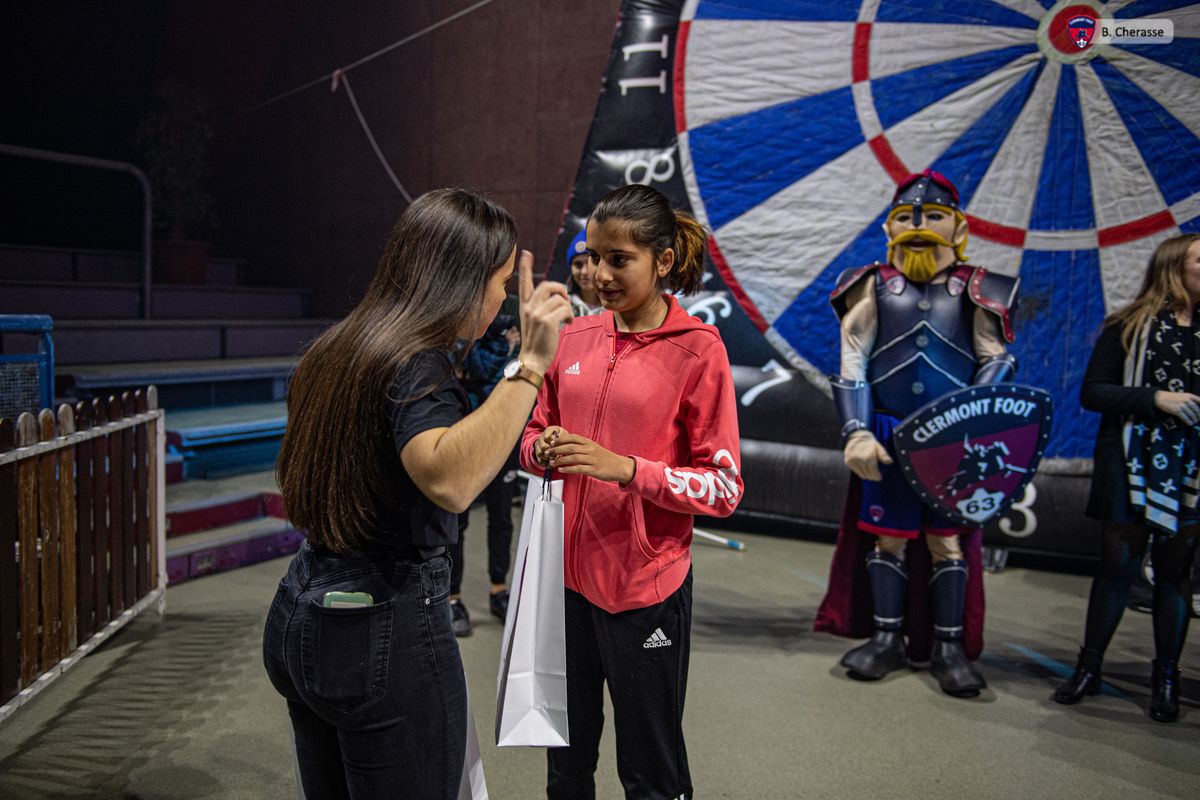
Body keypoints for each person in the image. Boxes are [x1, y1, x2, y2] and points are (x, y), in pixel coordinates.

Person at [262, 188, 573, 799]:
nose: (503, 299)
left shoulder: (340, 347)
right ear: (462, 277)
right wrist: (532, 363)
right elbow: (450, 478)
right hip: (381, 625)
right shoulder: (416, 363)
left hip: (303, 606)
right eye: (502, 282)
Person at [521, 184, 743, 800]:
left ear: (663, 260)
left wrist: (625, 468)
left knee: (650, 770)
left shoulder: (699, 350)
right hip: (566, 586)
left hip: (647, 590)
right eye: (594, 258)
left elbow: (723, 487)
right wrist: (538, 449)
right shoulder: (573, 338)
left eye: (620, 259)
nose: (600, 275)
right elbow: (532, 432)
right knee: (566, 765)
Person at [813, 170, 1019, 698]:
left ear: (958, 227)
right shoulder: (870, 285)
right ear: (889, 227)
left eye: (932, 217)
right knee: (888, 538)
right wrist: (856, 431)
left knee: (945, 540)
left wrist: (975, 422)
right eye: (906, 217)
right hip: (885, 432)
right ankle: (886, 639)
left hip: (954, 440)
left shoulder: (980, 288)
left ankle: (947, 648)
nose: (918, 226)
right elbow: (853, 360)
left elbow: (992, 362)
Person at [1054, 233, 1200, 723]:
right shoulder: (1127, 325)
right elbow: (1094, 393)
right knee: (1117, 566)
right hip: (1129, 464)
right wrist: (1156, 400)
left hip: (1192, 470)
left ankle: (1165, 679)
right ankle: (1088, 669)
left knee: (1176, 572)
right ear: (1174, 267)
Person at [448, 303, 523, 636]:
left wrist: (511, 350)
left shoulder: (513, 337)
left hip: (502, 439)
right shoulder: (464, 332)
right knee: (457, 521)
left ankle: (498, 591)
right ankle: (452, 599)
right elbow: (473, 371)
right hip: (465, 435)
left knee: (502, 517)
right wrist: (505, 348)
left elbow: (515, 379)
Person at [564, 227, 603, 316]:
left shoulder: (617, 305)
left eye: (591, 264)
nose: (584, 272)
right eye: (578, 265)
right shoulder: (560, 304)